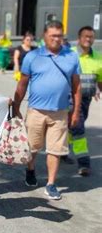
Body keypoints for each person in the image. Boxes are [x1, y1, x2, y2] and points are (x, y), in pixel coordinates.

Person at [12, 20, 81, 200]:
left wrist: (75, 112)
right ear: (44, 36)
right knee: (33, 147)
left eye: (59, 36)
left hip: (60, 112)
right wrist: (16, 106)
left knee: (55, 150)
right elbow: (22, 84)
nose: (56, 39)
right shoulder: (33, 56)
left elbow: (76, 87)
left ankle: (51, 184)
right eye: (53, 36)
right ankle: (31, 170)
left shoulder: (71, 57)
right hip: (36, 111)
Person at [63, 26, 102, 176]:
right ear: (79, 38)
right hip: (69, 97)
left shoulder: (98, 57)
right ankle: (84, 163)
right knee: (78, 127)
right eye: (85, 36)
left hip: (86, 99)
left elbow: (100, 79)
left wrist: (98, 90)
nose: (88, 39)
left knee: (72, 126)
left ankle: (62, 152)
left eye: (91, 36)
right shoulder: (69, 54)